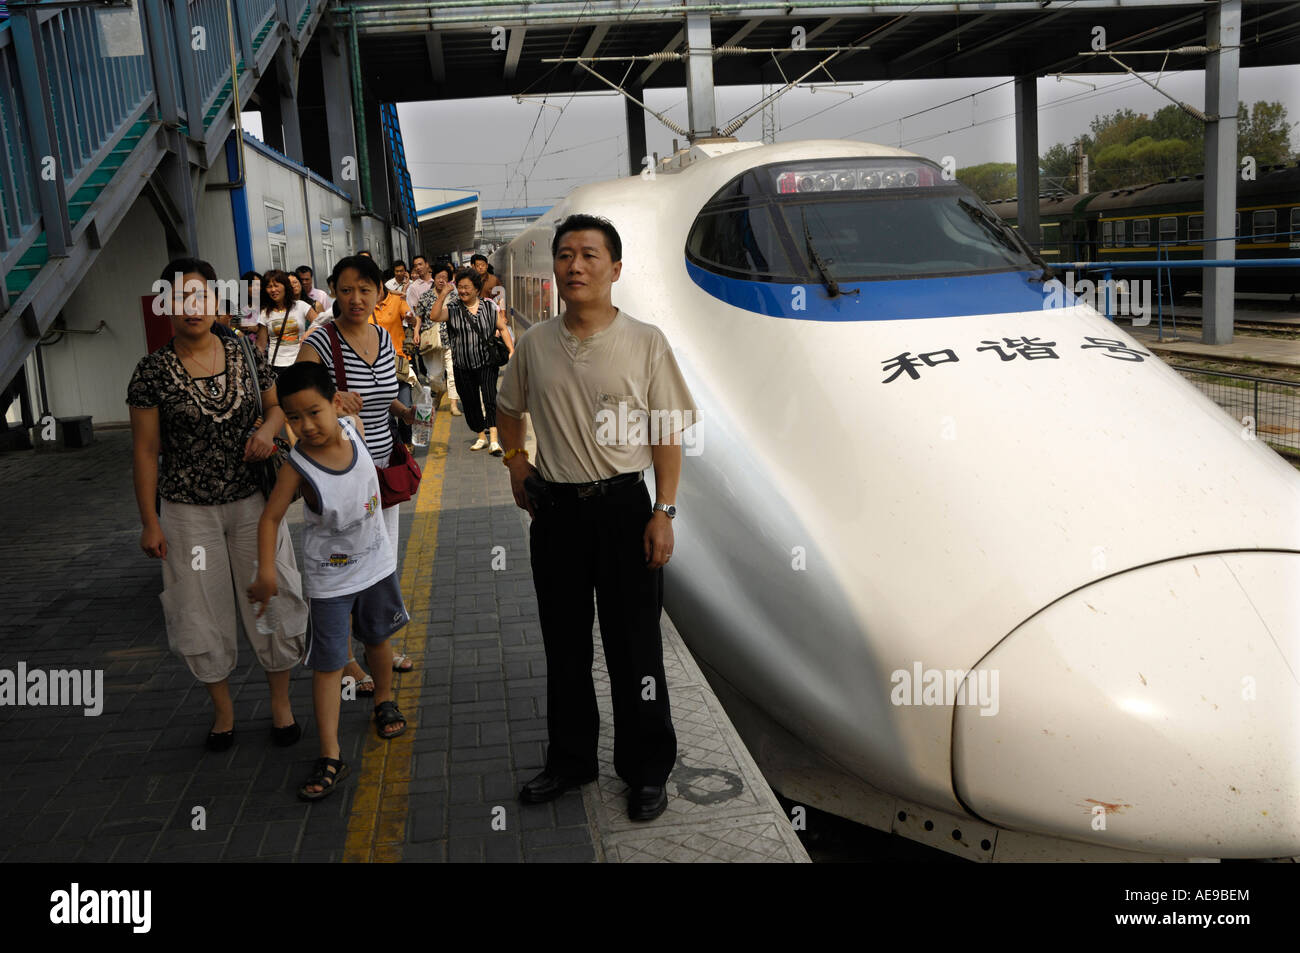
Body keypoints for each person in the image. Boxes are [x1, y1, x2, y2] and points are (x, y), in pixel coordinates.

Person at [496, 214, 699, 822]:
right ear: (554, 267)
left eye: (589, 255)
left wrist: (663, 511)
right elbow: (509, 409)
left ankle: (644, 771)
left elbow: (666, 434)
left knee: (634, 649)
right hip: (555, 512)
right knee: (564, 646)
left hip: (622, 509)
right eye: (565, 255)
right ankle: (571, 760)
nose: (574, 266)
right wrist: (514, 462)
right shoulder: (533, 345)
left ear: (615, 268)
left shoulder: (646, 342)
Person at [128, 257, 308, 752]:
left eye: (201, 296)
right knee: (197, 608)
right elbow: (145, 451)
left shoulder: (246, 352)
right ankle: (223, 713)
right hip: (187, 512)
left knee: (272, 592)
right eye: (181, 298)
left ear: (215, 301)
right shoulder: (150, 373)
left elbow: (275, 408)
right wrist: (150, 521)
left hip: (255, 502)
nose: (193, 307)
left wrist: (270, 430)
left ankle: (281, 706)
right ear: (165, 306)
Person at [250, 362, 410, 800]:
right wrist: (266, 571)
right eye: (293, 417)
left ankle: (383, 701)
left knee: (378, 640)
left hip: (376, 565)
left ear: (335, 404)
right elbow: (270, 518)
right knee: (329, 665)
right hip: (330, 581)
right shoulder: (298, 466)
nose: (305, 425)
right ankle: (330, 753)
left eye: (314, 412)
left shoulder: (353, 427)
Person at [297, 255, 417, 687]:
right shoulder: (320, 341)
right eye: (346, 289)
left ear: (379, 293)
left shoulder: (384, 338)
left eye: (366, 289)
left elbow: (384, 396)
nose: (356, 298)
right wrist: (331, 400)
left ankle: (377, 645)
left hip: (382, 469)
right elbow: (294, 399)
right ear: (334, 291)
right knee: (345, 565)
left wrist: (407, 410)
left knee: (381, 564)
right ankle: (345, 656)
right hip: (340, 478)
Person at [423, 267, 513, 454]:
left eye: (466, 287)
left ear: (477, 289)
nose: (462, 291)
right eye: (460, 287)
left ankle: (494, 440)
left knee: (490, 398)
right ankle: (481, 436)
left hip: (487, 362)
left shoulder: (489, 307)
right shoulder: (454, 308)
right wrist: (443, 295)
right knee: (470, 402)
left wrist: (511, 350)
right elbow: (434, 316)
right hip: (462, 364)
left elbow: (503, 328)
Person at [368, 278, 420, 447]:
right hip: (374, 364)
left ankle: (406, 442)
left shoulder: (396, 300)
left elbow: (411, 318)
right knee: (385, 409)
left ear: (381, 285)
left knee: (405, 404)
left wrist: (411, 319)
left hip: (399, 361)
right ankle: (396, 444)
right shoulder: (364, 306)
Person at [415, 262, 461, 416]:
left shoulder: (454, 296)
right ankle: (440, 391)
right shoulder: (425, 296)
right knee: (434, 376)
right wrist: (416, 332)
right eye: (439, 277)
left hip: (451, 339)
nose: (442, 280)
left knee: (453, 372)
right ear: (433, 278)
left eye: (445, 278)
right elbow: (419, 317)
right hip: (431, 340)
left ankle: (454, 405)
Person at [259, 269, 315, 368]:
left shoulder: (301, 306)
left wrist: (309, 332)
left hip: (300, 362)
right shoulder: (264, 313)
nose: (273, 290)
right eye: (269, 286)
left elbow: (321, 322)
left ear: (285, 286)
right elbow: (261, 345)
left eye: (276, 285)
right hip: (276, 365)